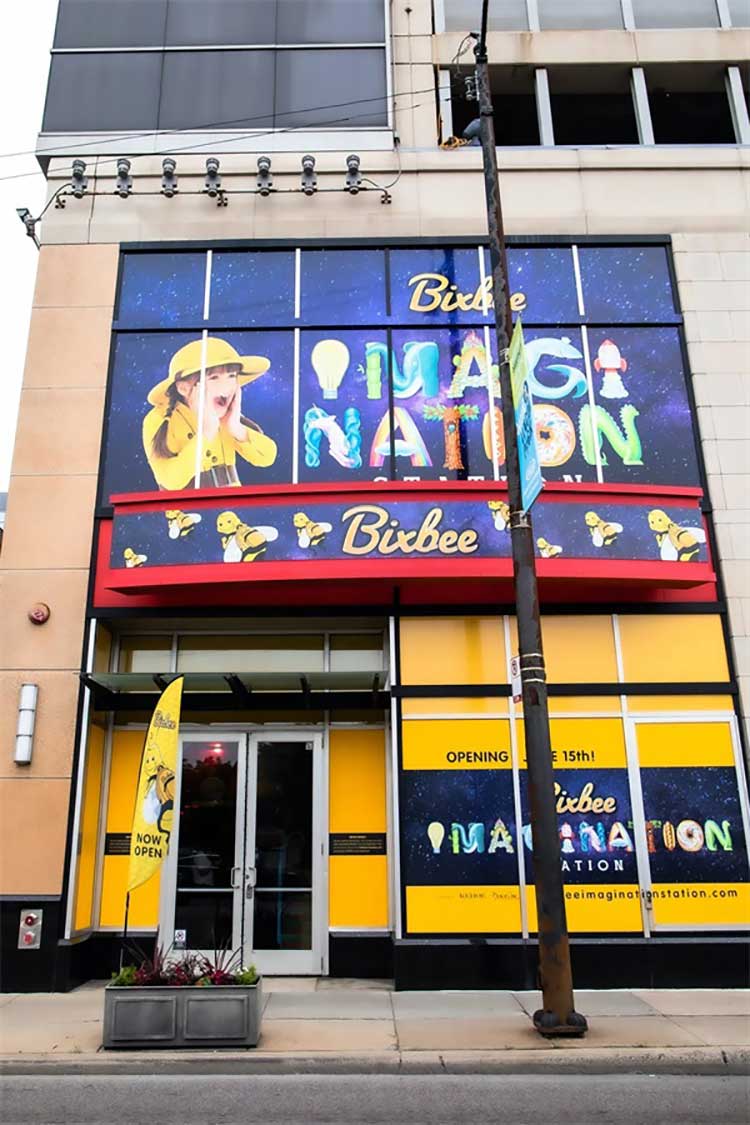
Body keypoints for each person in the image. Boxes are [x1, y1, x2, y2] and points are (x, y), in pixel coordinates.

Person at [142, 337, 278, 490]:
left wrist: (236, 428)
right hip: (188, 504)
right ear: (183, 388)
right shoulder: (159, 419)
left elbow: (267, 457)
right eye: (214, 377)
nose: (226, 387)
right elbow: (170, 480)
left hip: (232, 501)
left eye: (232, 376)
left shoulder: (226, 416)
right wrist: (206, 434)